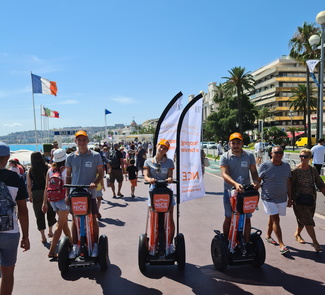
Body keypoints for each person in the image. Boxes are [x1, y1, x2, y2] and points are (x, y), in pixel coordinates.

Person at [65, 130, 104, 258]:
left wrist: (95, 183)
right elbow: (68, 177)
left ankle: (95, 244)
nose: (81, 142)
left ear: (87, 140)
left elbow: (100, 173)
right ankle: (76, 245)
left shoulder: (95, 156)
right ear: (75, 141)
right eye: (79, 140)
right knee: (75, 219)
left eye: (84, 139)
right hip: (75, 193)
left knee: (92, 218)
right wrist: (67, 194)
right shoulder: (70, 157)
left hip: (90, 193)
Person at [0, 142, 30, 295]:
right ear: (7, 158)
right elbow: (23, 210)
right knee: (7, 274)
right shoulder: (15, 178)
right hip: (10, 231)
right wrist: (26, 236)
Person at [220, 133, 260, 245]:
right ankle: (227, 241)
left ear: (242, 143)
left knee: (247, 218)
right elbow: (224, 174)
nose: (236, 145)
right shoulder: (225, 157)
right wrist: (235, 184)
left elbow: (253, 171)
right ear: (229, 144)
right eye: (233, 143)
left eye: (238, 143)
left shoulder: (249, 155)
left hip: (245, 193)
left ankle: (246, 244)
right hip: (230, 192)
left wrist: (256, 181)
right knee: (229, 217)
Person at [258, 145, 292, 255]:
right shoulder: (265, 165)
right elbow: (258, 181)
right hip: (268, 197)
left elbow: (288, 182)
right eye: (276, 152)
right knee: (276, 219)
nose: (278, 154)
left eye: (280, 152)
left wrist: (290, 198)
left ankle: (268, 235)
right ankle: (282, 245)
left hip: (282, 197)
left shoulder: (286, 166)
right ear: (271, 154)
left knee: (273, 217)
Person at [143, 139, 175, 253]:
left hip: (166, 191)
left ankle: (169, 244)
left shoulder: (169, 162)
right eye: (161, 147)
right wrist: (149, 179)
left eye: (165, 148)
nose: (162, 149)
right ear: (157, 146)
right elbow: (145, 175)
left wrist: (170, 179)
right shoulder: (148, 161)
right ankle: (153, 242)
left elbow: (170, 176)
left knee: (169, 216)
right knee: (154, 217)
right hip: (154, 191)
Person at [291, 148, 325, 252]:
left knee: (305, 219)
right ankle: (315, 242)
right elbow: (290, 186)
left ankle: (297, 233)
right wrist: (290, 199)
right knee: (308, 220)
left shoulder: (313, 169)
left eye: (305, 156)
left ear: (310, 158)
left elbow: (319, 182)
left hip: (311, 199)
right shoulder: (295, 171)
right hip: (299, 200)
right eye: (301, 156)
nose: (303, 158)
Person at [42, 148, 72, 258]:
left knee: (64, 224)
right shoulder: (67, 170)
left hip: (52, 200)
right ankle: (52, 251)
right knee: (59, 226)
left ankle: (72, 243)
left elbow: (46, 187)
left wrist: (44, 203)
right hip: (63, 200)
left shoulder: (50, 170)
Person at [27, 152, 56, 244]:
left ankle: (43, 236)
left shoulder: (30, 170)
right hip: (48, 191)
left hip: (36, 193)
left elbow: (28, 185)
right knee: (51, 211)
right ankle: (50, 231)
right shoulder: (47, 167)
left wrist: (30, 195)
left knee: (39, 214)